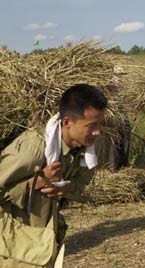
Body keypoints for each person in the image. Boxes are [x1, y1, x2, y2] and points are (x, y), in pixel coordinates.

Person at [0, 84, 107, 267]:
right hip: (15, 246)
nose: (98, 132)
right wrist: (32, 184)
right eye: (91, 126)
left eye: (101, 124)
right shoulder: (32, 150)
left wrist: (66, 189)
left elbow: (80, 187)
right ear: (66, 123)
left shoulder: (87, 152)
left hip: (43, 242)